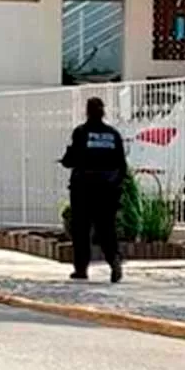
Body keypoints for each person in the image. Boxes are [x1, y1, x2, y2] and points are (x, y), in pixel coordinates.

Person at [59, 97, 127, 283]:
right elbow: (122, 164)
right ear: (103, 112)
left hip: (83, 188)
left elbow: (72, 159)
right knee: (107, 228)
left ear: (87, 111)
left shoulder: (81, 132)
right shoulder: (113, 134)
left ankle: (81, 268)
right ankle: (113, 259)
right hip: (108, 189)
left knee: (81, 229)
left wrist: (66, 159)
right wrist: (116, 184)